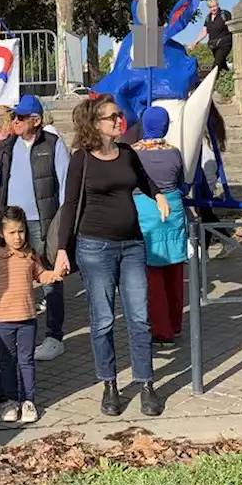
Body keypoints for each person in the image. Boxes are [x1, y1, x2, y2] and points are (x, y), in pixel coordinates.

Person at [56, 95, 169, 417]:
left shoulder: (128, 153)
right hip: (95, 248)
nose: (120, 121)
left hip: (133, 245)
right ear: (95, 124)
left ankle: (146, 383)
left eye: (120, 115)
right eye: (112, 117)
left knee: (139, 318)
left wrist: (158, 195)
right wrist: (63, 248)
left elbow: (144, 180)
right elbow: (70, 204)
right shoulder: (82, 159)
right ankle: (109, 385)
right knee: (103, 320)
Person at [0, 94, 71, 361]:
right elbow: (4, 185)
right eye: (14, 116)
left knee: (49, 279)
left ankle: (54, 336)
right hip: (12, 225)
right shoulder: (7, 145)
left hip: (43, 223)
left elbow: (65, 184)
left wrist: (62, 222)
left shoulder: (53, 144)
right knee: (12, 279)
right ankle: (13, 333)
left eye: (20, 117)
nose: (15, 121)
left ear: (36, 120)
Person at [0, 206, 65, 424]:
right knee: (7, 362)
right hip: (3, 320)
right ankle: (11, 400)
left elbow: (40, 274)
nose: (17, 237)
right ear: (1, 233)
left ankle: (28, 400)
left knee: (26, 360)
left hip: (27, 318)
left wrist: (54, 275)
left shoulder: (30, 255)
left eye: (21, 231)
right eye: (12, 232)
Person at [132, 107, 188, 347]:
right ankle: (175, 324)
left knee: (151, 277)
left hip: (145, 212)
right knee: (174, 272)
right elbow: (182, 183)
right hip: (173, 212)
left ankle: (160, 329)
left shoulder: (133, 152)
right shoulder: (174, 153)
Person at [187, 0, 233, 72]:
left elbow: (232, 26)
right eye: (211, 7)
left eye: (214, 6)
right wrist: (195, 42)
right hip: (214, 45)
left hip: (224, 44)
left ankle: (211, 82)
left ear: (218, 5)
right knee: (222, 65)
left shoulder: (224, 14)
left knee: (216, 66)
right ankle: (228, 75)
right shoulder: (208, 18)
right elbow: (204, 31)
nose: (213, 9)